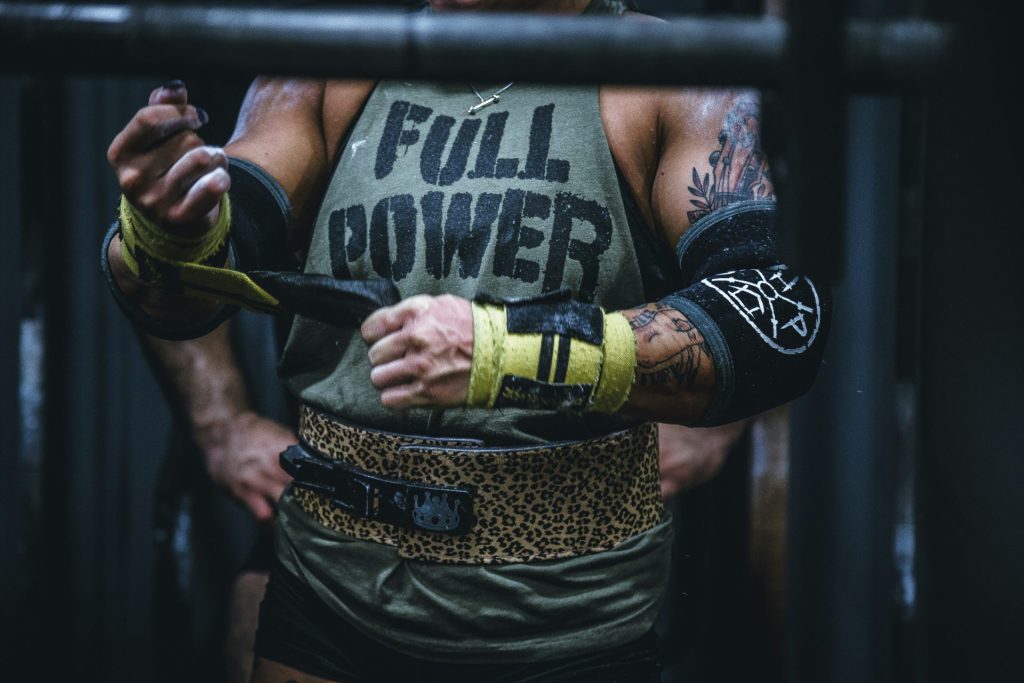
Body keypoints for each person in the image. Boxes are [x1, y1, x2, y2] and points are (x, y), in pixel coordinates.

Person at [102, 1, 829, 680]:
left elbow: (773, 321)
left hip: (569, 622)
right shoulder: (329, 59)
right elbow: (196, 282)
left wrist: (506, 351)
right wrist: (167, 232)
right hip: (329, 595)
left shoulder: (667, 73)